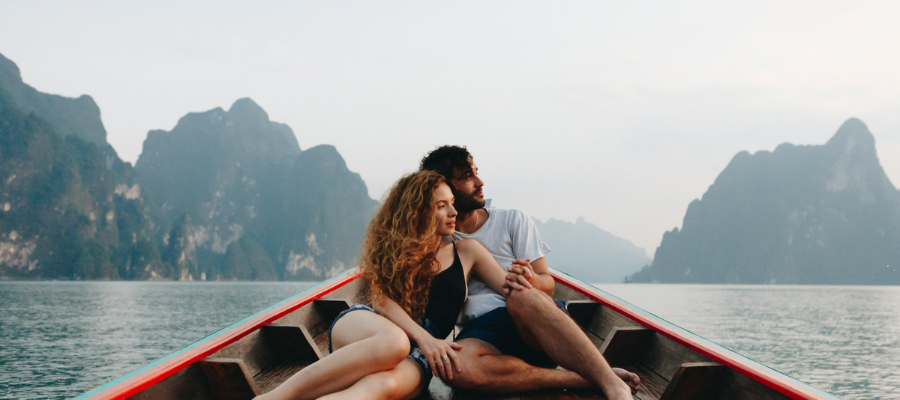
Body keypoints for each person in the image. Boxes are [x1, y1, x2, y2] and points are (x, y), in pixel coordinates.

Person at [258, 171, 588, 400]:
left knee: (383, 387)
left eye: (452, 204)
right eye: (441, 205)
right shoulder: (395, 248)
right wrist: (425, 339)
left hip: (421, 358)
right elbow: (381, 299)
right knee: (394, 342)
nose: (452, 212)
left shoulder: (468, 251)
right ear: (418, 211)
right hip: (370, 330)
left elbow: (514, 290)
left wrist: (531, 280)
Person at [420, 145, 640, 397]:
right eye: (467, 178)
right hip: (483, 335)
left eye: (476, 172)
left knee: (520, 295)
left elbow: (548, 283)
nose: (480, 182)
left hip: (534, 322)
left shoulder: (513, 220)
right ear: (443, 188)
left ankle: (610, 383)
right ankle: (580, 378)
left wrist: (531, 280)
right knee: (456, 367)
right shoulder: (436, 240)